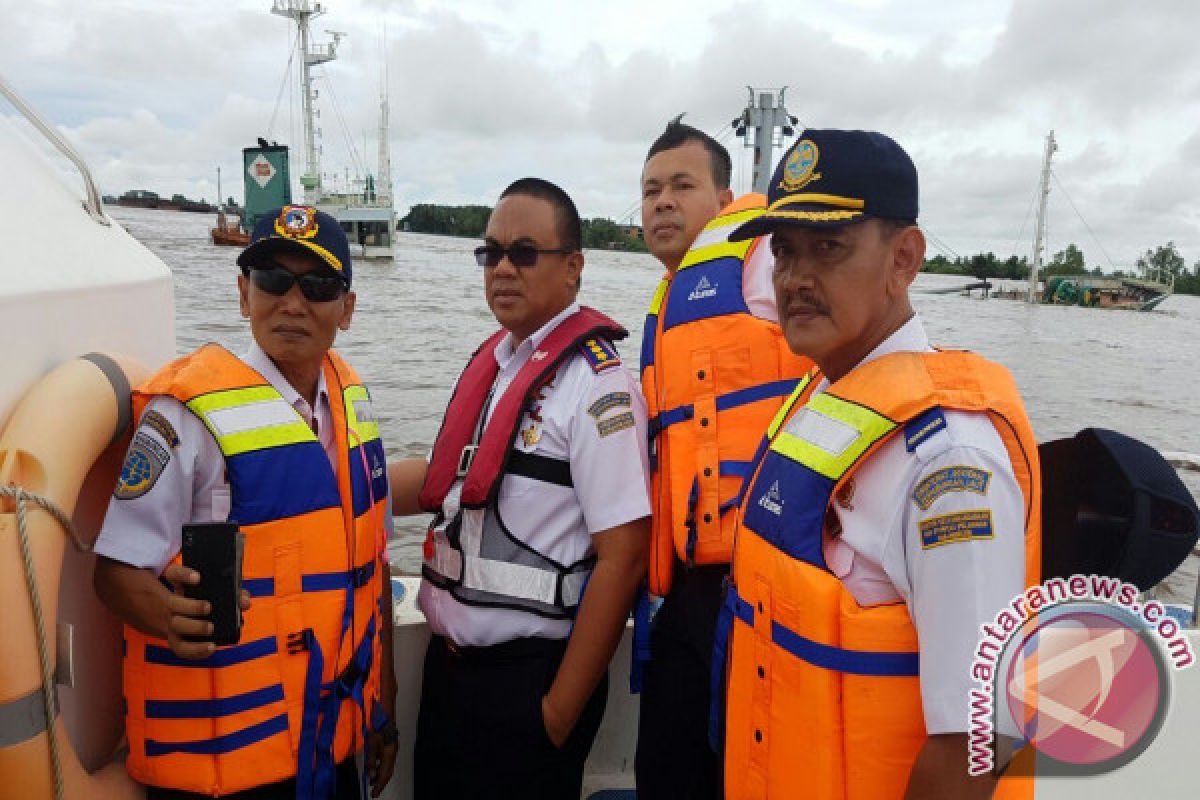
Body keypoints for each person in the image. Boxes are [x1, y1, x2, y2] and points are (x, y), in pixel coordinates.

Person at [713, 130, 1040, 799]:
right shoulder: (822, 401)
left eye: (828, 247)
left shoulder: (950, 463)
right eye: (784, 251)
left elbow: (979, 739)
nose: (795, 278)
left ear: (904, 258)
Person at [93, 205, 398, 800]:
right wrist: (166, 614)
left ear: (348, 308)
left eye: (318, 286)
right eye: (272, 281)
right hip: (225, 767)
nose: (292, 302)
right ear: (242, 293)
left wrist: (380, 705)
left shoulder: (352, 403)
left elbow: (373, 563)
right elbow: (113, 574)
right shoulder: (185, 413)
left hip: (334, 742)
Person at [388, 178, 650, 799]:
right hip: (450, 678)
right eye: (492, 252)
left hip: (528, 686)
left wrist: (556, 714)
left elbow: (626, 553)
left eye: (525, 252)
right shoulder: (500, 366)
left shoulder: (598, 390)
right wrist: (326, 479)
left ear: (573, 268)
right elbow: (447, 477)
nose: (503, 267)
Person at [635, 119, 812, 799]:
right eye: (650, 191)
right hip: (687, 586)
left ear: (726, 197)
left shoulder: (761, 259)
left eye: (682, 185)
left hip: (762, 576)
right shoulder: (668, 301)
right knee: (667, 770)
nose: (663, 202)